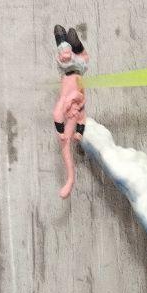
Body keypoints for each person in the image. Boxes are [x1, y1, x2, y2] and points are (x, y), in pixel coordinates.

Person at [52, 25, 88, 199]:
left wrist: (63, 132)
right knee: (78, 52)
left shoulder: (68, 107)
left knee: (64, 41)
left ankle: (64, 38)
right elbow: (81, 118)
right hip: (77, 67)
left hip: (70, 71)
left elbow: (57, 115)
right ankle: (70, 179)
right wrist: (78, 133)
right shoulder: (77, 110)